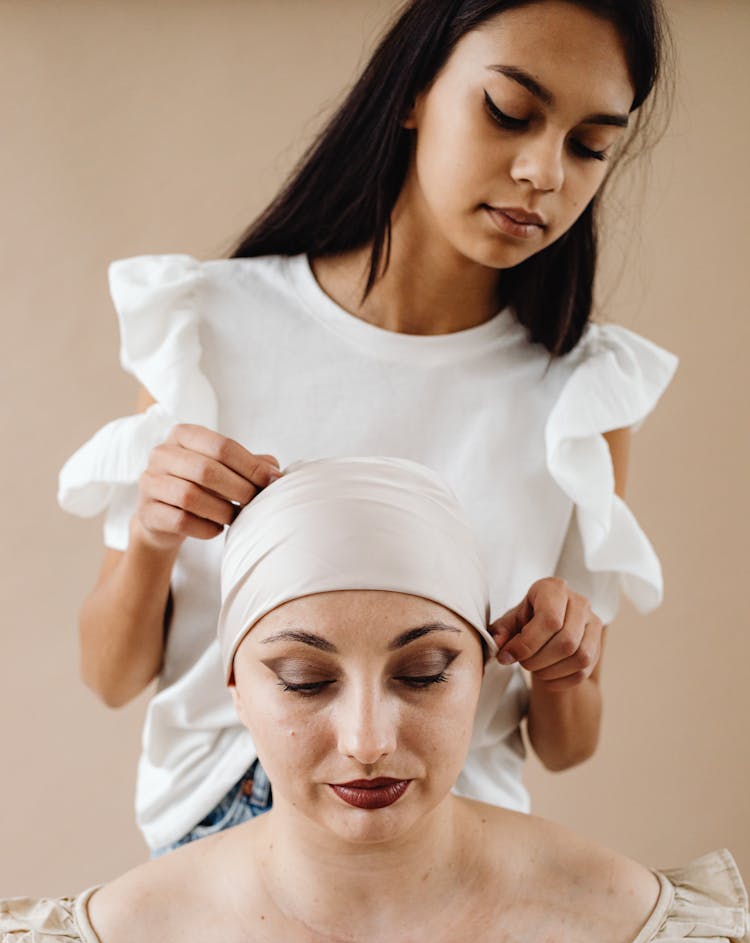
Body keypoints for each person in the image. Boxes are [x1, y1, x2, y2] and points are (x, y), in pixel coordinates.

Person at [58, 0, 678, 855]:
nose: (545, 172)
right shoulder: (209, 324)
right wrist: (155, 532)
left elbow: (566, 744)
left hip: (462, 835)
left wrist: (566, 659)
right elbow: (111, 676)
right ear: (414, 91)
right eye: (509, 113)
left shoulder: (583, 391)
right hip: (227, 825)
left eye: (590, 145)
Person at [2, 458, 748, 943]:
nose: (367, 740)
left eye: (423, 672)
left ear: (483, 673)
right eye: (305, 680)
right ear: (234, 685)